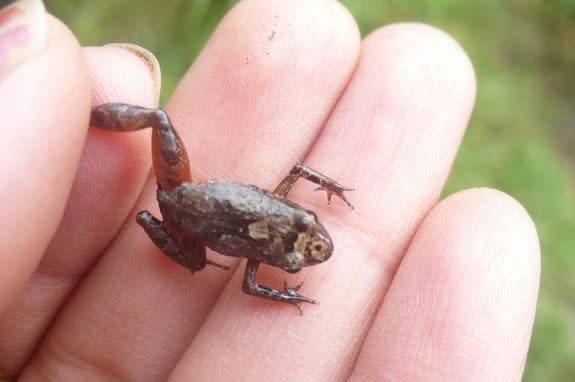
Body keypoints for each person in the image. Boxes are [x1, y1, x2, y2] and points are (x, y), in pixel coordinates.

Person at [0, 0, 540, 380]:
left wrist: (315, 205)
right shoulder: (261, 261)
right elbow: (252, 285)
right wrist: (289, 291)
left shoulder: (275, 227)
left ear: (273, 251)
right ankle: (75, 114)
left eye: (297, 253)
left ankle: (92, 143)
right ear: (291, 214)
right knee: (159, 130)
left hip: (184, 208)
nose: (313, 241)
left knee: (161, 129)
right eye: (305, 231)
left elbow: (299, 175)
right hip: (182, 197)